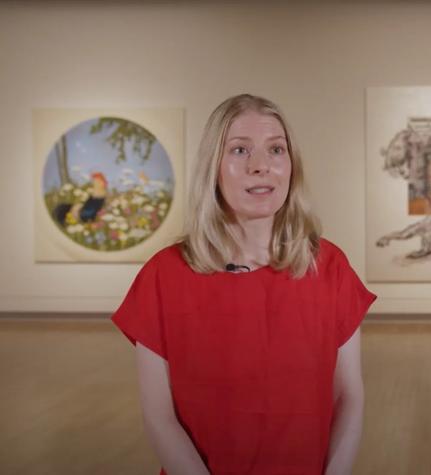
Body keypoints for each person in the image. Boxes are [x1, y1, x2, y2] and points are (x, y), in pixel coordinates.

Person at [112, 94, 376, 475]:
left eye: (276, 150)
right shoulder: (163, 276)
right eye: (239, 150)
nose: (261, 166)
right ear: (213, 168)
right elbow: (159, 417)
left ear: (291, 166)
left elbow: (348, 397)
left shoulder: (330, 267)